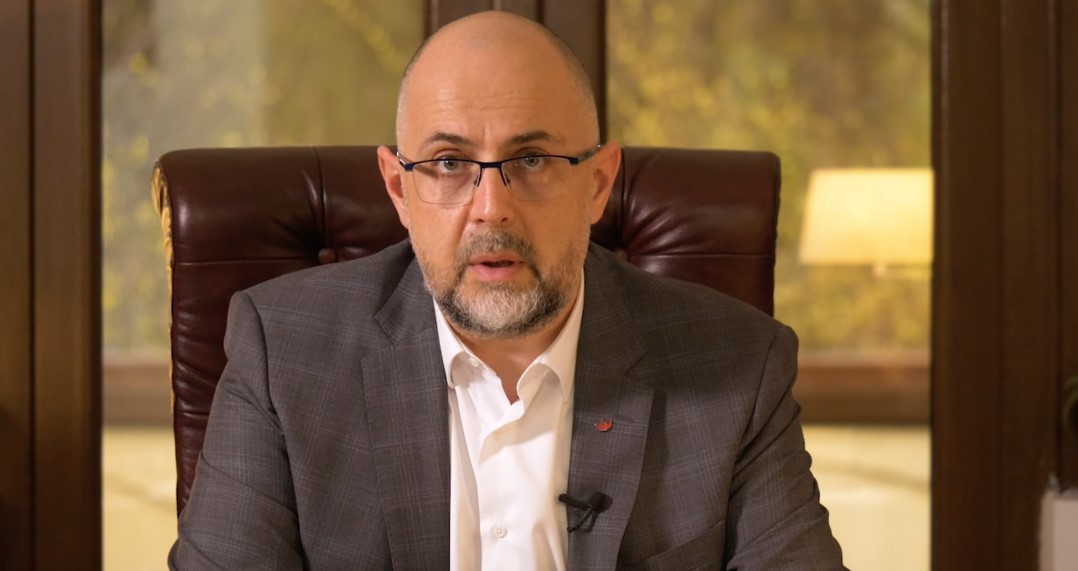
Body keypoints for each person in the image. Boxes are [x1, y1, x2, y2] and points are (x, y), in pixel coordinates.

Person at [169, 10, 844, 570]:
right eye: (448, 162)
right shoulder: (284, 354)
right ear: (399, 189)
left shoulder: (738, 368)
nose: (491, 209)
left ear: (598, 183)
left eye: (532, 159)